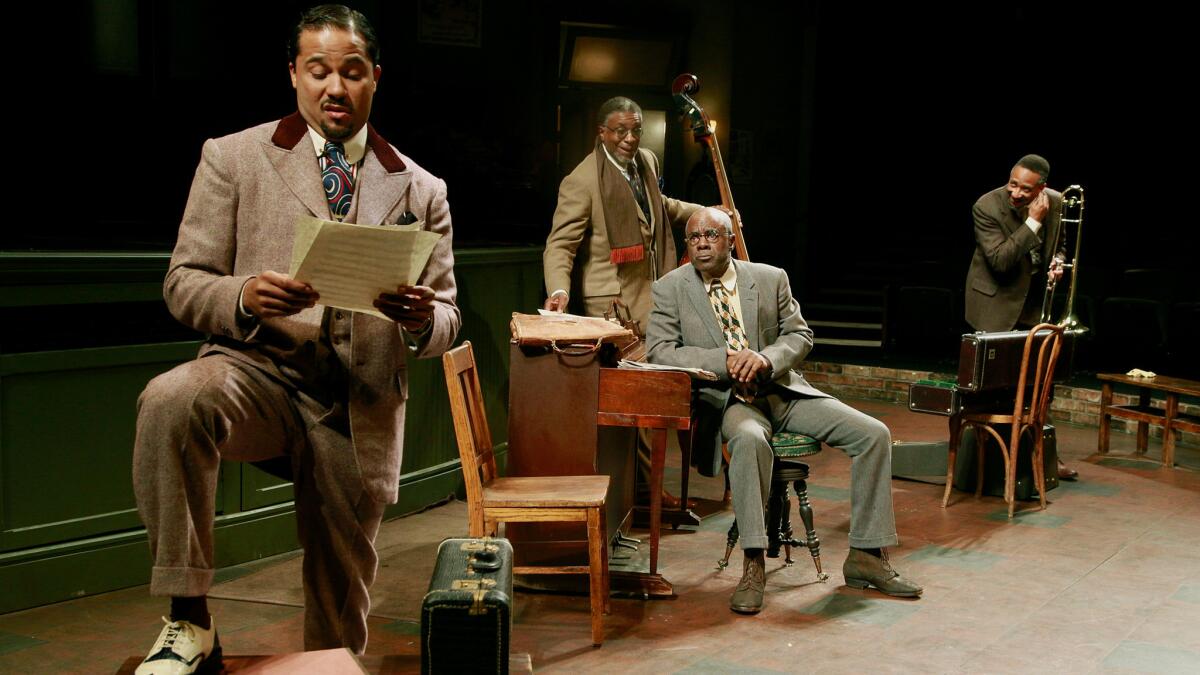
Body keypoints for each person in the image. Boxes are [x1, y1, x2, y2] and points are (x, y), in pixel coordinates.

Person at [131, 5, 460, 672]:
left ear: (375, 78)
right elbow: (182, 282)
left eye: (351, 72)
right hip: (258, 375)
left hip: (357, 401)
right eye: (318, 72)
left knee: (338, 624)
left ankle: (331, 658)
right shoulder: (233, 158)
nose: (334, 88)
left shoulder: (422, 188)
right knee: (171, 399)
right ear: (294, 75)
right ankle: (188, 618)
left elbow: (449, 317)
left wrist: (421, 316)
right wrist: (244, 295)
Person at [646, 207, 922, 615]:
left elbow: (800, 334)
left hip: (782, 392)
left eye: (712, 234)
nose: (702, 242)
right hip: (731, 401)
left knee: (873, 433)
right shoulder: (670, 288)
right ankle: (754, 561)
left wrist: (765, 358)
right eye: (694, 237)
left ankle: (866, 554)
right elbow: (661, 351)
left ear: (730, 240)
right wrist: (727, 359)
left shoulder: (770, 277)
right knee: (751, 439)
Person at [543, 96, 703, 331]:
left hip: (655, 295)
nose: (630, 139)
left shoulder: (647, 160)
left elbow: (660, 205)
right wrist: (559, 291)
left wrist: (709, 213)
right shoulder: (581, 181)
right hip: (611, 306)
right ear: (602, 132)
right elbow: (561, 245)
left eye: (636, 130)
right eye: (620, 131)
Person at [965, 154, 1076, 480]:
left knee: (1039, 386)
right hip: (994, 304)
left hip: (1031, 305)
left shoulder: (1055, 202)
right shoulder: (986, 206)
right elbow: (1001, 261)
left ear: (1041, 187)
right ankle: (984, 462)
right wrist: (1033, 222)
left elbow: (1060, 245)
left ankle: (1046, 461)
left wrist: (1057, 260)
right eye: (1012, 184)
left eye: (1025, 189)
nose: (1015, 193)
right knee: (991, 387)